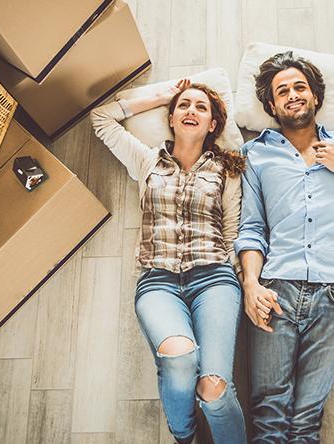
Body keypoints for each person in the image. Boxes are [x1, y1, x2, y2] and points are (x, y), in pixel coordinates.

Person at [234, 51, 334, 443]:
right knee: (268, 414)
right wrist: (250, 285)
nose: (293, 94)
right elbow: (252, 228)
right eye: (283, 91)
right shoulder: (255, 154)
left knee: (307, 419)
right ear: (272, 105)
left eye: (300, 87)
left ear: (314, 97)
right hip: (277, 288)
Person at [91, 79, 246, 444]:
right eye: (184, 106)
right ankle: (184, 434)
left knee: (214, 389)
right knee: (178, 360)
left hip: (215, 280)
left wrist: (246, 283)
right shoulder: (147, 160)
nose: (191, 110)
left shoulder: (228, 170)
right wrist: (163, 97)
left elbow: (232, 230)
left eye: (201, 107)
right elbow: (101, 119)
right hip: (158, 281)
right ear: (172, 119)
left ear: (213, 125)